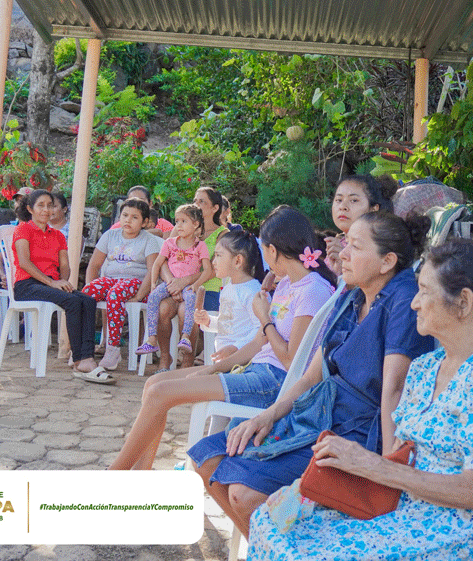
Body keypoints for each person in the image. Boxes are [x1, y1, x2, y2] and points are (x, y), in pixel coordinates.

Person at [247, 238, 473, 560]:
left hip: (455, 532)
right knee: (271, 521)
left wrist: (373, 465)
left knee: (303, 553)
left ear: (463, 302)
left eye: (424, 291)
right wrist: (355, 467)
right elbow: (400, 453)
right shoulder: (427, 367)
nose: (414, 303)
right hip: (401, 506)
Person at [191, 211, 434, 536]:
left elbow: (394, 389)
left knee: (243, 493)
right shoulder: (352, 295)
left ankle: (271, 550)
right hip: (317, 414)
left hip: (356, 433)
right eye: (346, 244)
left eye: (355, 246)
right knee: (206, 460)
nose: (343, 254)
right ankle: (265, 549)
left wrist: (387, 471)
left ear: (387, 261)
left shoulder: (402, 299)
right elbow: (309, 377)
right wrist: (268, 415)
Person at [108, 205, 336, 471]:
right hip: (254, 368)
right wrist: (214, 368)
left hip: (273, 381)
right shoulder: (286, 283)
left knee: (160, 393)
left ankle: (115, 475)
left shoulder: (313, 290)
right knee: (154, 383)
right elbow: (258, 344)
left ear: (273, 250)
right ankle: (139, 473)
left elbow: (290, 361)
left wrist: (264, 319)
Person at [11, 189, 97, 373]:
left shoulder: (57, 235)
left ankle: (87, 356)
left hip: (50, 284)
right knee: (73, 301)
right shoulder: (23, 229)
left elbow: (65, 265)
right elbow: (24, 262)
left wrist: (62, 282)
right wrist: (52, 283)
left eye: (50, 205)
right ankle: (79, 359)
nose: (46, 210)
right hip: (26, 285)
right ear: (30, 209)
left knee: (88, 301)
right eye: (40, 205)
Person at [81, 199, 162, 378]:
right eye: (125, 215)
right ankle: (82, 348)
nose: (128, 220)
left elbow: (152, 271)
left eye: (134, 217)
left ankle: (113, 349)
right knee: (86, 294)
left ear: (145, 222)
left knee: (115, 294)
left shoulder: (149, 240)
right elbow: (94, 265)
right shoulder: (110, 235)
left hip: (135, 283)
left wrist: (139, 296)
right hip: (111, 280)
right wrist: (90, 287)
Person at [154, 187, 228, 370]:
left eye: (202, 201)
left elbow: (213, 269)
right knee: (163, 308)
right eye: (195, 200)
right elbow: (163, 261)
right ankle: (165, 358)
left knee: (185, 311)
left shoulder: (222, 234)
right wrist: (172, 283)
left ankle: (187, 362)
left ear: (215, 208)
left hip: (206, 289)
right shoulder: (179, 229)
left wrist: (185, 282)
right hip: (175, 287)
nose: (196, 204)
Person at [136, 204, 212, 357]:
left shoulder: (200, 246)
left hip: (188, 286)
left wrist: (196, 285)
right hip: (168, 284)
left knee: (191, 301)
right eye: (177, 221)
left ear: (196, 224)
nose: (179, 225)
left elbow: (207, 270)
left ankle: (185, 337)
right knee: (153, 298)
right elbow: (157, 264)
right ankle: (152, 338)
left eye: (184, 221)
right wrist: (153, 284)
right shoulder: (169, 243)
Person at [195, 229, 266, 362]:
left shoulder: (252, 292)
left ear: (238, 260)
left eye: (218, 256)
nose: (213, 262)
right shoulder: (228, 288)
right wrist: (208, 321)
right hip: (227, 362)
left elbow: (261, 329)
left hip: (244, 362)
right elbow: (228, 325)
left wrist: (236, 347)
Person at [324, 174, 396, 275]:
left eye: (354, 200)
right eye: (339, 200)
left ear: (373, 209)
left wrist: (344, 263)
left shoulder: (376, 248)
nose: (343, 206)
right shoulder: (339, 243)